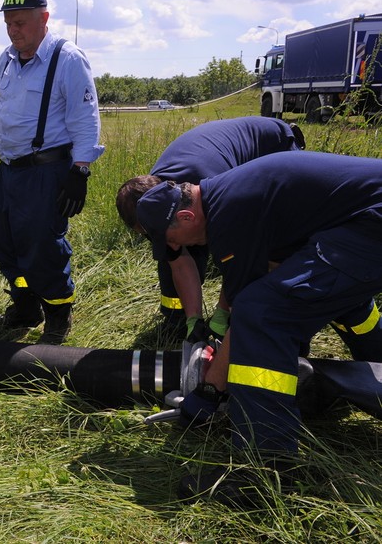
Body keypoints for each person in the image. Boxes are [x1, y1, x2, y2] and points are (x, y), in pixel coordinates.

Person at [135, 151, 382, 503]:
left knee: (262, 314)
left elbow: (246, 314)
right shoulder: (227, 195)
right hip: (364, 222)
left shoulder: (230, 216)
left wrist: (209, 390)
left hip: (371, 225)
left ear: (188, 216)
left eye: (171, 239)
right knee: (334, 295)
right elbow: (278, 269)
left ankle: (265, 471)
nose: (175, 247)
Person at [0, 0, 103, 344]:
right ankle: (25, 305)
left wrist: (81, 170)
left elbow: (86, 119)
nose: (14, 31)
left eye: (21, 23)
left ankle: (59, 314)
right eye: (9, 24)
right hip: (11, 171)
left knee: (43, 248)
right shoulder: (7, 59)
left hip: (47, 171)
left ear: (44, 18)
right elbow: (3, 108)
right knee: (7, 245)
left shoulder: (67, 59)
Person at [116, 117, 306, 339]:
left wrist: (221, 315)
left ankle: (278, 324)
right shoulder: (157, 202)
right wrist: (193, 319)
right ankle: (179, 320)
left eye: (148, 231)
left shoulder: (214, 192)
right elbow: (178, 263)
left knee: (273, 248)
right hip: (220, 158)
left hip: (274, 145)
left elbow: (239, 255)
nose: (149, 237)